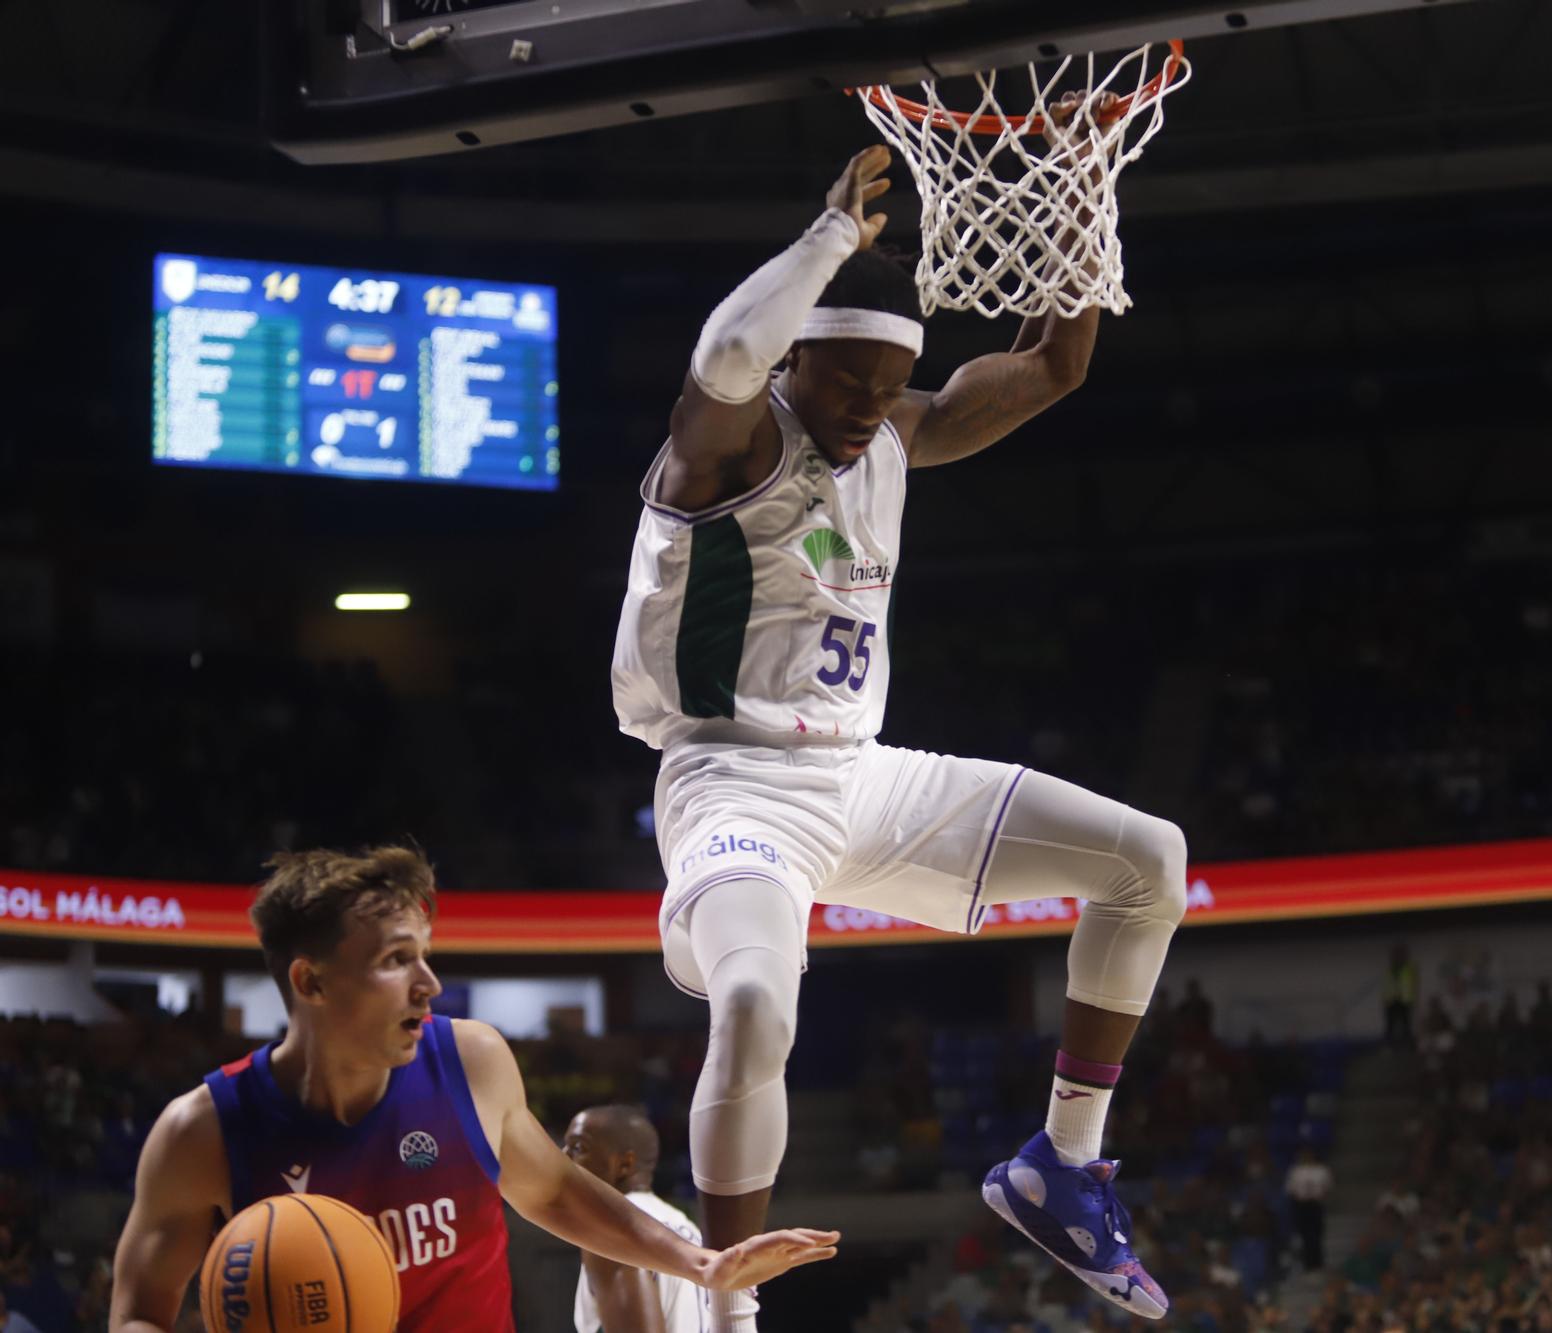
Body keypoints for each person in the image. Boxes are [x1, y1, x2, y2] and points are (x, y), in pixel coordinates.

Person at [610, 131, 1186, 1328]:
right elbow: (723, 349)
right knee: (762, 1004)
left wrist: (1080, 205)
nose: (871, 412)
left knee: (1148, 859)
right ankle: (729, 1311)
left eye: (887, 389)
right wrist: (829, 239)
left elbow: (1055, 365)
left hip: (862, 778)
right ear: (795, 365)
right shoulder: (723, 449)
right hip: (731, 784)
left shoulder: (902, 431)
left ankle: (1062, 1166)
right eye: (845, 387)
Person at [109, 847, 836, 1333]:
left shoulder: (471, 1059)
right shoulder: (200, 1131)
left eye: (425, 956)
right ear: (311, 980)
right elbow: (137, 1313)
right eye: (397, 960)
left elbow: (552, 1190)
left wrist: (702, 1262)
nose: (428, 983)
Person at [565, 1103, 703, 1333]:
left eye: (578, 1148)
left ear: (624, 1164)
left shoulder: (613, 1228)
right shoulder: (687, 1227)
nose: (563, 1159)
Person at [1284, 1146, 1332, 1270]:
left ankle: (1318, 1263)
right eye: (1304, 1154)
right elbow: (1290, 1189)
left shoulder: (1321, 1170)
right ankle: (1307, 1264)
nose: (1307, 1157)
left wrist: (1317, 1195)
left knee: (1316, 1234)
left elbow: (1328, 1187)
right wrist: (1301, 1196)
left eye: (1309, 1154)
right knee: (1305, 1235)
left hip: (1316, 1205)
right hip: (1302, 1206)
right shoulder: (1295, 1170)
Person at [1383, 945, 1417, 1049]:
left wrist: (1409, 1000)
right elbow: (1387, 987)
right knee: (1390, 1027)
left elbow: (1412, 986)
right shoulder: (1389, 970)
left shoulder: (1409, 969)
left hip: (1405, 1002)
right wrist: (1387, 1000)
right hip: (1391, 1002)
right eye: (1395, 955)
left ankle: (1408, 1047)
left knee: (1406, 1026)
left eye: (1400, 954)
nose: (1397, 957)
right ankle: (1390, 1047)